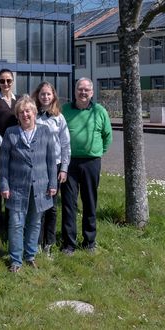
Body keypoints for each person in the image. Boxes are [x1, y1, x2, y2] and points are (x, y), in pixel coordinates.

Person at [0, 95, 57, 273]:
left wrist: (53, 183)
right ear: (17, 115)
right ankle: (16, 259)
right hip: (17, 186)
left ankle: (30, 255)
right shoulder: (11, 133)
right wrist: (4, 185)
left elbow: (51, 160)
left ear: (34, 113)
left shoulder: (45, 131)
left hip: (41, 186)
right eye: (21, 112)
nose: (25, 115)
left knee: (35, 222)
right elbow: (3, 162)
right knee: (16, 223)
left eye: (28, 111)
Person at [61, 78, 112, 256]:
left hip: (91, 163)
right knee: (69, 203)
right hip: (69, 163)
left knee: (90, 202)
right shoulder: (65, 110)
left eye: (87, 90)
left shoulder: (99, 111)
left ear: (92, 93)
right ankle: (69, 243)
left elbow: (107, 136)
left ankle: (89, 241)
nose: (83, 92)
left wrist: (96, 152)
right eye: (80, 89)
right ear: (75, 91)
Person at [32, 82, 71, 257]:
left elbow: (65, 145)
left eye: (48, 94)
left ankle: (49, 242)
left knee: (52, 206)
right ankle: (36, 241)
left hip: (54, 166)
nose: (45, 97)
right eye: (42, 94)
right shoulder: (32, 116)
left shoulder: (59, 118)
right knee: (38, 206)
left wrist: (64, 168)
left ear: (53, 96)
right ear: (37, 95)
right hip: (38, 166)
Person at [0, 68, 19, 239]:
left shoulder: (19, 100)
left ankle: (10, 221)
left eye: (9, 80)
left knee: (12, 187)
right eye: (2, 81)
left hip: (16, 152)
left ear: (13, 81)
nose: (6, 84)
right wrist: (4, 144)